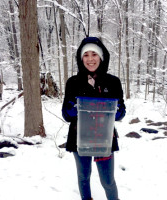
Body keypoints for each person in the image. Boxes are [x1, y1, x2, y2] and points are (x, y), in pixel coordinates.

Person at [62, 37, 126, 200]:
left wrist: (116, 111)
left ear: (101, 57)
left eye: (94, 54)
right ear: (80, 58)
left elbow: (121, 112)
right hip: (79, 137)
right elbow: (66, 114)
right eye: (86, 55)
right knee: (84, 176)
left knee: (108, 181)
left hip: (104, 137)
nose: (90, 59)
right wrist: (73, 110)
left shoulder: (112, 82)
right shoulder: (73, 82)